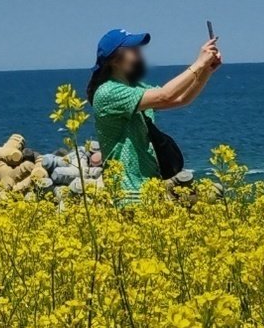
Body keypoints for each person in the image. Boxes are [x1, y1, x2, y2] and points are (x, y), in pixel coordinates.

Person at [87, 28, 221, 199]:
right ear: (114, 59)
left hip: (150, 191)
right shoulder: (108, 92)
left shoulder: (134, 88)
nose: (140, 56)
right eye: (133, 51)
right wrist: (199, 63)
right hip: (129, 194)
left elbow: (179, 99)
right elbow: (166, 95)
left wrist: (206, 71)